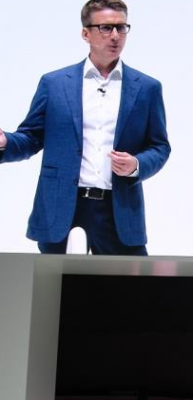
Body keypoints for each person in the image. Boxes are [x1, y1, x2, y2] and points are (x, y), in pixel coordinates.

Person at [0, 0, 170, 256]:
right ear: (85, 33)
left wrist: (136, 164)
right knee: (56, 282)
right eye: (105, 28)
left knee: (130, 282)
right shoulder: (54, 84)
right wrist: (6, 142)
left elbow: (159, 146)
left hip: (118, 210)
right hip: (62, 207)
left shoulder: (147, 88)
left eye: (121, 27)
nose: (115, 36)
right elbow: (31, 137)